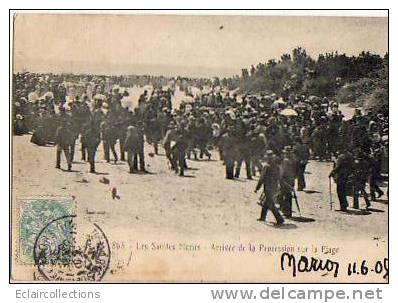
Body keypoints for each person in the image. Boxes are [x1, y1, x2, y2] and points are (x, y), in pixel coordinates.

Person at [254, 150, 284, 225]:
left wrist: (257, 188)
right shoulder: (277, 166)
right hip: (274, 186)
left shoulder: (266, 166)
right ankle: (262, 217)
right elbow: (279, 177)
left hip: (268, 187)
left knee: (270, 204)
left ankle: (280, 219)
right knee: (266, 203)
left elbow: (262, 178)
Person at [279, 146, 297, 218]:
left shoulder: (285, 161)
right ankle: (287, 211)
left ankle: (285, 211)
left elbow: (282, 171)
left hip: (285, 180)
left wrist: (280, 178)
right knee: (288, 196)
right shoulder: (294, 160)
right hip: (291, 180)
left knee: (284, 195)